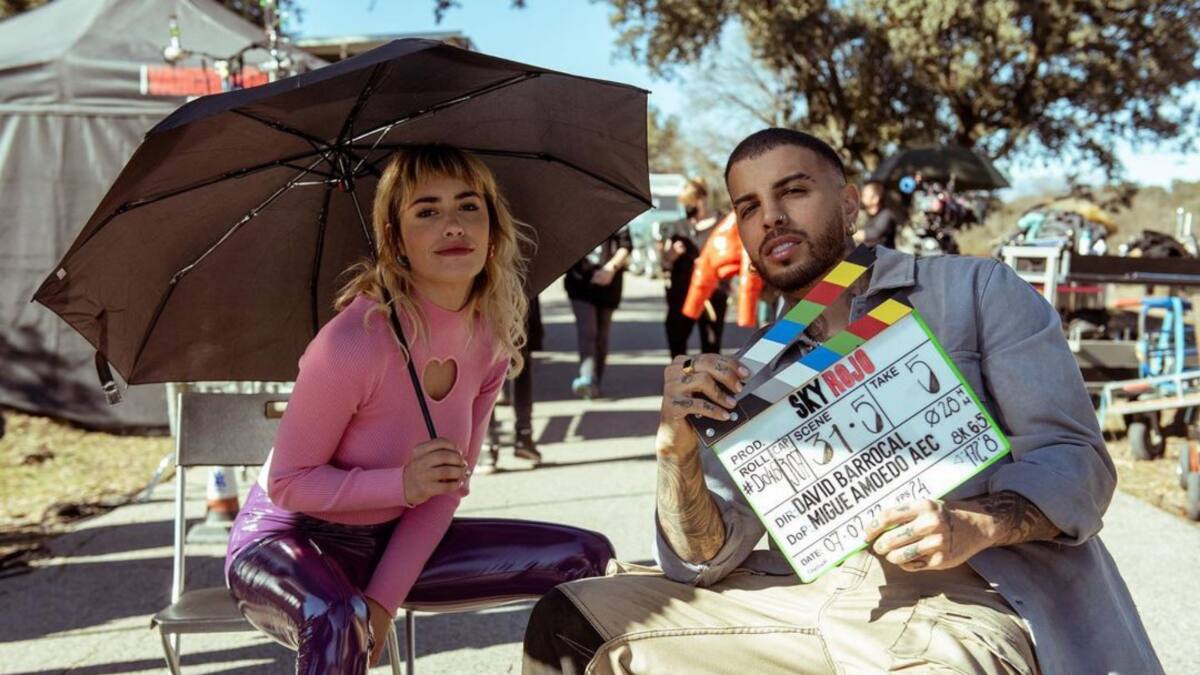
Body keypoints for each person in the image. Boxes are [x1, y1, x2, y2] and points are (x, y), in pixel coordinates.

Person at [523, 128, 1161, 674]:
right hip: (808, 597)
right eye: (748, 206)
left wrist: (975, 524)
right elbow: (705, 556)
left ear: (850, 202)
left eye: (793, 191)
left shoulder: (974, 291)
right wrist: (676, 450)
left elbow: (1076, 461)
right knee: (575, 618)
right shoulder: (750, 373)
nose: (771, 217)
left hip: (972, 601)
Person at [224, 144, 530, 673]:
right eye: (427, 211)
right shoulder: (354, 342)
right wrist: (402, 485)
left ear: (494, 229)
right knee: (337, 616)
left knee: (585, 559)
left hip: (387, 542)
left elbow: (445, 489)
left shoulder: (489, 340)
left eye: (468, 206)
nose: (453, 225)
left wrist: (383, 603)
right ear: (396, 239)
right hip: (286, 539)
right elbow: (288, 483)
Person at [662, 178, 730, 358]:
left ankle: (706, 376)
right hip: (682, 294)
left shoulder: (723, 224)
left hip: (712, 294)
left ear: (703, 198)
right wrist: (671, 254)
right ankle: (684, 374)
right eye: (685, 203)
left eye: (691, 202)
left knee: (711, 346)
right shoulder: (679, 226)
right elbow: (665, 261)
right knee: (677, 342)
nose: (688, 207)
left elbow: (733, 256)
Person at [565, 227, 632, 398]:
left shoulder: (618, 216)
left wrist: (611, 268)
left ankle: (595, 382)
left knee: (602, 336)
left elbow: (625, 246)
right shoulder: (573, 217)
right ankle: (587, 377)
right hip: (580, 283)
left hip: (609, 284)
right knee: (588, 330)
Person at [480, 297, 544, 471]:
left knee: (483, 367)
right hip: (517, 299)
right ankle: (524, 435)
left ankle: (487, 444)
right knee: (519, 361)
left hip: (480, 300)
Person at [855, 180, 904, 249]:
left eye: (865, 195)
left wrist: (849, 235)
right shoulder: (864, 213)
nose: (862, 197)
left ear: (875, 199)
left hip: (881, 253)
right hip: (866, 250)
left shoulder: (886, 214)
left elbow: (873, 233)